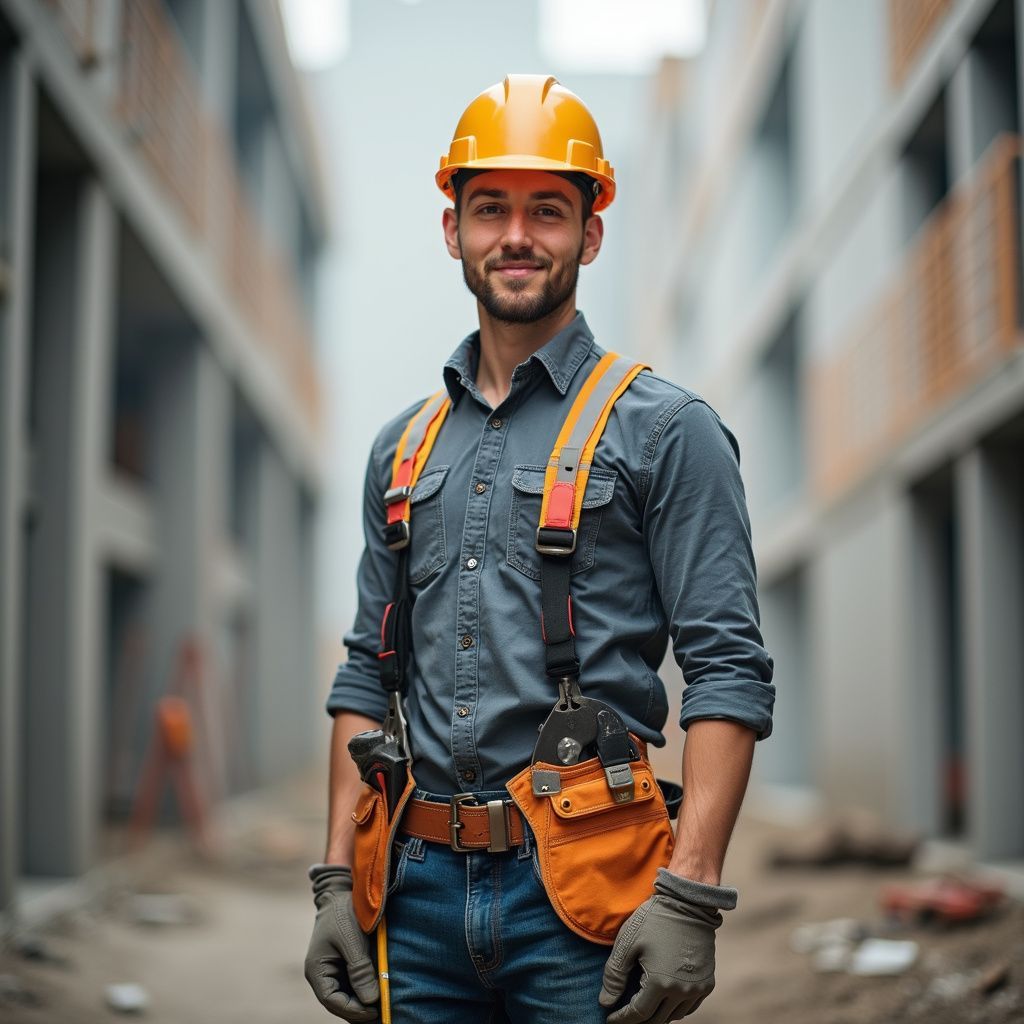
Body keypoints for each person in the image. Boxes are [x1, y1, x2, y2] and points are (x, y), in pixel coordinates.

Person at [304, 74, 774, 1024]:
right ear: (453, 231)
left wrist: (689, 895)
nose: (516, 236)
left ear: (591, 233)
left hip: (588, 897)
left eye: (547, 211)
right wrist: (332, 885)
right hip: (414, 893)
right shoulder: (400, 450)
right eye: (490, 210)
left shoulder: (667, 430)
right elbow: (364, 676)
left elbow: (727, 670)